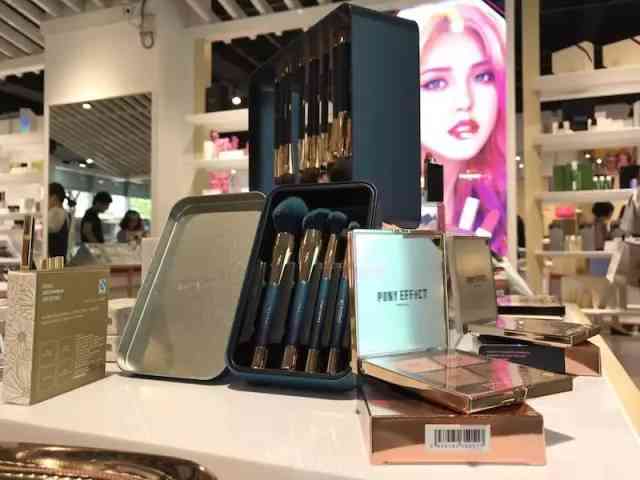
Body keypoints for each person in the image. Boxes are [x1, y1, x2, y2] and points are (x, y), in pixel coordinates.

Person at [399, 1, 507, 255]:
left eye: (483, 76)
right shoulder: (399, 197)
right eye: (436, 83)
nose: (465, 101)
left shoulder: (487, 201)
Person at [48, 182, 71, 258]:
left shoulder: (56, 212)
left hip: (54, 260)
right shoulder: (63, 212)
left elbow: (48, 229)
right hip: (59, 258)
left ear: (54, 197)